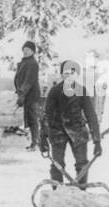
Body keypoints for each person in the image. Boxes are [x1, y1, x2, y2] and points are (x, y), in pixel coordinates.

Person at [39, 58, 103, 189]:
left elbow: (91, 116)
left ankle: (81, 192)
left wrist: (97, 141)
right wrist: (43, 138)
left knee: (82, 164)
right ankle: (57, 192)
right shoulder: (55, 91)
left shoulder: (82, 91)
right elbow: (46, 116)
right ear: (62, 74)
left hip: (77, 131)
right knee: (57, 164)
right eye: (66, 73)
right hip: (57, 131)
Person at [14, 39, 42, 151]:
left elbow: (28, 81)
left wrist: (21, 94)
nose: (25, 51)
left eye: (28, 50)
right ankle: (36, 142)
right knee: (31, 120)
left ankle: (36, 143)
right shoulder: (26, 61)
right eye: (24, 49)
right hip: (27, 95)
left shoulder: (32, 63)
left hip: (31, 96)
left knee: (32, 120)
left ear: (33, 52)